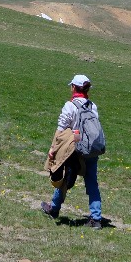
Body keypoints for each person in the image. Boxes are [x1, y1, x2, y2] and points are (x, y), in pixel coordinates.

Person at [42, 74, 107, 228]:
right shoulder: (93, 106)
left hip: (74, 149)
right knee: (92, 182)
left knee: (64, 178)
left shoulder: (70, 105)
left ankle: (54, 208)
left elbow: (61, 129)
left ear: (73, 87)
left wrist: (53, 149)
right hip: (91, 149)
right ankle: (96, 218)